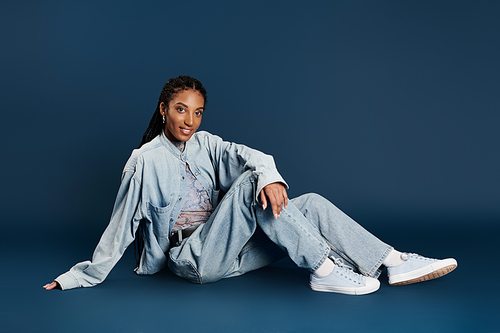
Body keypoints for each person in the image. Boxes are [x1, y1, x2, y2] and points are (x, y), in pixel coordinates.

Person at [43, 76, 457, 295]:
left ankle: (392, 262)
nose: (190, 121)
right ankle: (325, 268)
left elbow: (250, 155)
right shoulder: (144, 161)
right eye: (181, 110)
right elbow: (119, 228)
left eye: (198, 112)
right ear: (164, 110)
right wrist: (80, 277)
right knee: (248, 186)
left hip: (234, 252)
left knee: (307, 202)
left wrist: (271, 175)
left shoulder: (206, 144)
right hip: (193, 259)